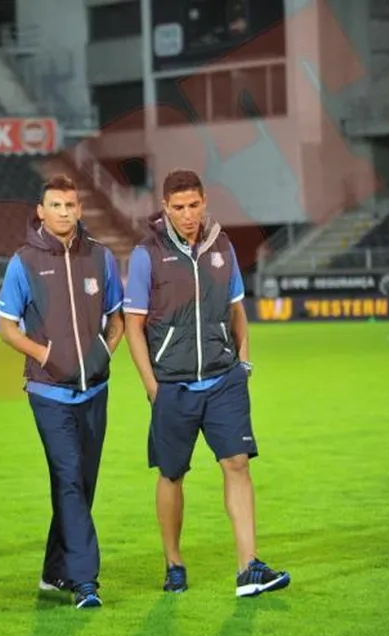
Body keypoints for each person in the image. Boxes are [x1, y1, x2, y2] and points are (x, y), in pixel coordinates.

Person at [122, 169, 290, 598]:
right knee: (172, 474)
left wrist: (243, 363)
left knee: (238, 464)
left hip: (223, 379)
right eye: (178, 207)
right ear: (165, 207)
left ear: (204, 202)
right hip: (172, 386)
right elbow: (133, 325)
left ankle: (248, 567)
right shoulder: (146, 254)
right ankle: (174, 563)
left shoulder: (222, 246)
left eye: (193, 205)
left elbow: (236, 310)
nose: (187, 214)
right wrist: (152, 385)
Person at [0, 174, 124, 610]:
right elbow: (6, 327)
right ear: (41, 211)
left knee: (80, 484)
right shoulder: (24, 262)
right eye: (56, 205)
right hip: (48, 393)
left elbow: (118, 316)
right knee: (69, 478)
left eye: (70, 205)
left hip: (95, 390)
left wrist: (104, 352)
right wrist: (45, 355)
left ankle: (55, 572)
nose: (64, 212)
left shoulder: (101, 257)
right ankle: (85, 581)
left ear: (79, 209)